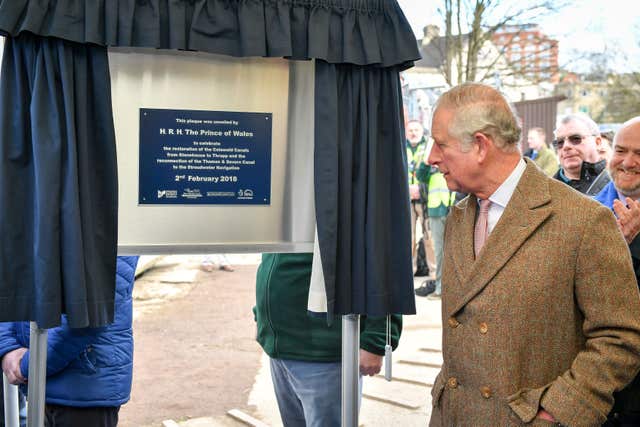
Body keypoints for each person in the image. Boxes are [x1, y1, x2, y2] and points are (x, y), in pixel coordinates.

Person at [427, 83, 640, 426]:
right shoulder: (460, 216)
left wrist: (559, 409)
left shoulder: (582, 220)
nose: (431, 158)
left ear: (480, 145)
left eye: (441, 144)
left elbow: (621, 336)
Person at [254, 253, 401, 427]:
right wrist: (261, 314)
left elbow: (382, 253)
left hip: (324, 351)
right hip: (282, 349)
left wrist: (377, 336)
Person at [0, 256, 139, 427]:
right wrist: (8, 345)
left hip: (83, 384)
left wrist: (30, 364)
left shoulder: (117, 231)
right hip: (39, 381)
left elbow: (92, 311)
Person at [595, 117, 640, 426]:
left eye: (639, 153)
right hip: (598, 393)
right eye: (620, 150)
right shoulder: (585, 209)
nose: (628, 162)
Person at [413, 152, 456, 299]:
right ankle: (440, 289)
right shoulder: (430, 166)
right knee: (439, 252)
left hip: (453, 209)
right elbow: (420, 175)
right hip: (436, 212)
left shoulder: (452, 159)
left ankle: (451, 289)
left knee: (454, 251)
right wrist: (427, 160)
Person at [552, 113, 610, 195]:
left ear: (597, 143)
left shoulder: (617, 189)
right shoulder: (543, 191)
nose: (566, 146)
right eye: (559, 142)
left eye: (575, 138)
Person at [406, 120, 430, 277]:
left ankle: (435, 275)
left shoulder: (427, 146)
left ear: (421, 132)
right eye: (410, 130)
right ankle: (408, 274)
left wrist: (419, 189)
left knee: (429, 238)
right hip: (405, 199)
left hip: (424, 198)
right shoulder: (401, 147)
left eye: (416, 130)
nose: (413, 133)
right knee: (408, 238)